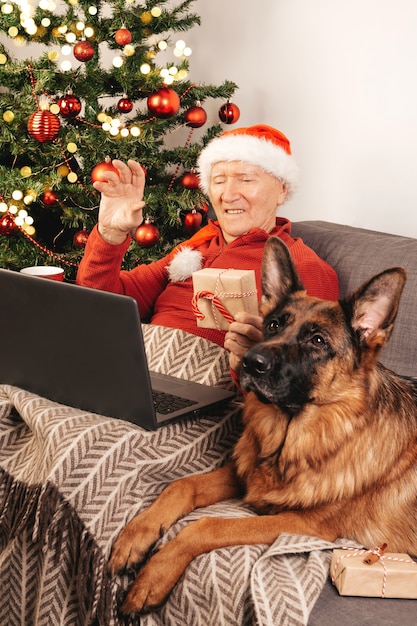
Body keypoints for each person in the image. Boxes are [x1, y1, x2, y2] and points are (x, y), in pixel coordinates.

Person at [76, 124, 339, 385]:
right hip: (133, 370)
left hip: (207, 393)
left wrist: (247, 358)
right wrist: (110, 233)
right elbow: (100, 305)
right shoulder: (197, 247)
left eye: (246, 179)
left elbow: (304, 384)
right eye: (218, 181)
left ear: (282, 189)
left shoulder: (302, 268)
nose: (228, 195)